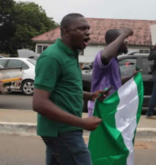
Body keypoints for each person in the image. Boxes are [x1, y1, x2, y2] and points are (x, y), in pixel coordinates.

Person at [32, 13, 109, 165]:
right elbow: (39, 103)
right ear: (66, 31)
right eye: (81, 29)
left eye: (88, 29)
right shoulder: (52, 57)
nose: (87, 33)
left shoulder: (71, 54)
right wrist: (82, 122)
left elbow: (66, 90)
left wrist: (91, 96)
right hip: (62, 131)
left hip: (65, 130)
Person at [87, 28, 140, 116]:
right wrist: (124, 34)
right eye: (124, 40)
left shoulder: (114, 60)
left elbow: (116, 81)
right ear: (114, 41)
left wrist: (131, 76)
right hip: (101, 107)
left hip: (111, 107)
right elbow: (105, 57)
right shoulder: (102, 55)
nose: (127, 43)